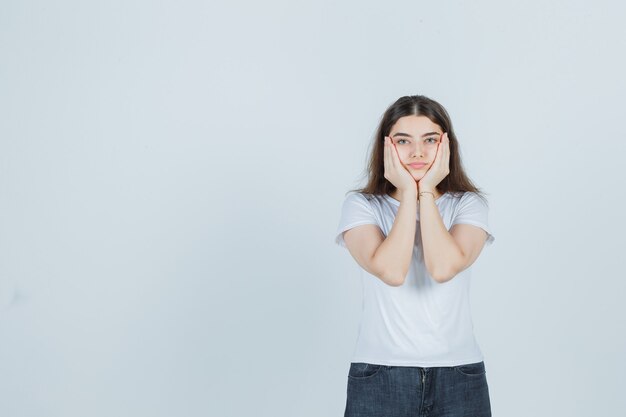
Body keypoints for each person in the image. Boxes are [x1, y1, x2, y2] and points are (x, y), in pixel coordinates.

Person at [335, 95, 495, 416]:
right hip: (380, 373)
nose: (418, 152)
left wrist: (424, 192)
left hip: (459, 374)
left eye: (430, 139)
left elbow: (442, 267)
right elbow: (392, 271)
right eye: (403, 141)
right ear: (387, 147)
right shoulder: (362, 206)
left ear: (446, 146)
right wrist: (408, 191)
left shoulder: (468, 205)